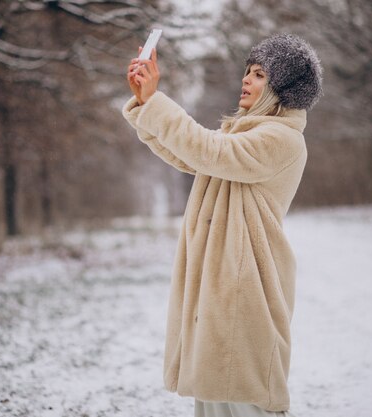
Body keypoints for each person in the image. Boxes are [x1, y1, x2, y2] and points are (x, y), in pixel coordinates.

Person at [122, 33, 323, 417]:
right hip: (221, 285)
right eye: (247, 71)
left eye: (260, 74)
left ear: (283, 88)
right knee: (215, 394)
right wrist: (146, 104)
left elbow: (209, 151)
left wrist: (156, 101)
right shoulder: (246, 134)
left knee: (248, 397)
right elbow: (191, 155)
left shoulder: (282, 139)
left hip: (247, 288)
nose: (246, 80)